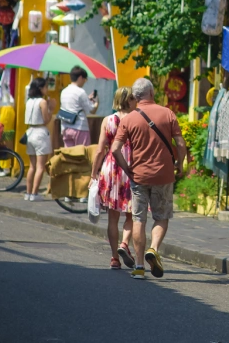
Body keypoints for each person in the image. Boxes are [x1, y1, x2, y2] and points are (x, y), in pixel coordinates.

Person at [112, 78, 187, 280]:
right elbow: (180, 144)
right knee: (161, 216)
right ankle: (153, 249)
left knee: (138, 218)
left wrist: (127, 169)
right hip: (163, 174)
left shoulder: (128, 119)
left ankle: (138, 266)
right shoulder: (167, 113)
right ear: (152, 93)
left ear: (135, 97)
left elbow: (115, 149)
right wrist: (180, 164)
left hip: (139, 176)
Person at [91, 87, 137, 269]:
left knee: (112, 217)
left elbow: (100, 149)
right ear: (129, 100)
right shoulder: (136, 119)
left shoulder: (107, 120)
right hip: (130, 166)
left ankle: (114, 258)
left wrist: (93, 172)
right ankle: (124, 243)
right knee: (132, 212)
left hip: (111, 168)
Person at [24, 78, 54, 201]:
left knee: (32, 166)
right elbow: (46, 119)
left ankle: (28, 192)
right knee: (40, 166)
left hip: (29, 132)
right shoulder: (42, 102)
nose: (47, 89)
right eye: (46, 87)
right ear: (41, 88)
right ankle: (35, 193)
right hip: (40, 133)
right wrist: (51, 109)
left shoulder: (29, 101)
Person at [59, 66, 98, 147]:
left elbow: (74, 104)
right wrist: (97, 102)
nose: (84, 82)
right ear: (80, 77)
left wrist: (87, 99)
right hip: (80, 128)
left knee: (69, 155)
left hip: (66, 128)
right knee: (82, 155)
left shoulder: (64, 91)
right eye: (85, 79)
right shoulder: (81, 92)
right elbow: (92, 110)